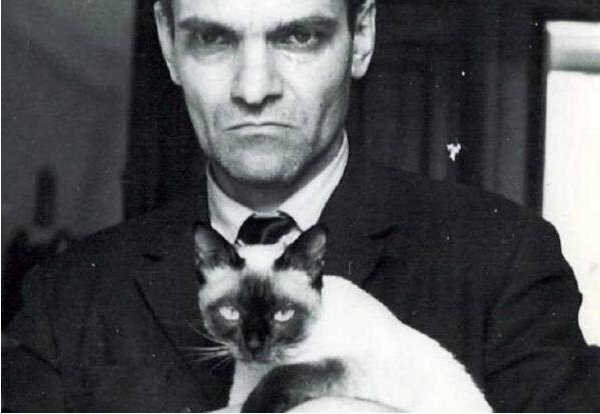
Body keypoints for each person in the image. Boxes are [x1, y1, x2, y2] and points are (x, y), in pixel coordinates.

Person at [3, 0, 600, 411]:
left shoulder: (504, 257)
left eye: (298, 37)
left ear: (361, 37)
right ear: (167, 44)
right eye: (213, 39)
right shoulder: (65, 298)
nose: (254, 88)